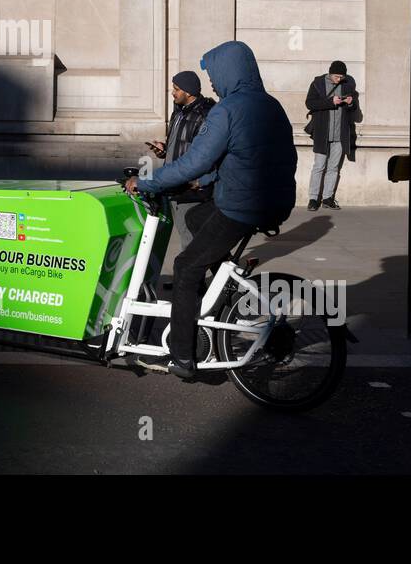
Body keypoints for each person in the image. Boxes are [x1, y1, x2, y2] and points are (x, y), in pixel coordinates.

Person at [126, 41, 297, 380]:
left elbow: (195, 160)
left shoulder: (228, 109)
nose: (214, 84)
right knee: (195, 218)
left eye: (214, 75)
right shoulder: (271, 105)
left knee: (186, 266)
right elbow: (245, 156)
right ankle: (224, 290)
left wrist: (147, 182)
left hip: (242, 206)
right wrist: (205, 179)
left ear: (229, 71)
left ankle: (182, 358)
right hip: (274, 202)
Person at [144, 70, 216, 255]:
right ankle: (195, 280)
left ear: (189, 92)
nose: (172, 92)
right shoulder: (179, 111)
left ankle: (192, 283)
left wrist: (198, 182)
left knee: (190, 238)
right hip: (174, 182)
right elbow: (181, 145)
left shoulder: (205, 115)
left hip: (190, 188)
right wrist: (165, 149)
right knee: (190, 236)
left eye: (176, 89)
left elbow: (206, 153)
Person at [304, 60, 360, 211]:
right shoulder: (318, 84)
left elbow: (354, 109)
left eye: (341, 76)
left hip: (340, 134)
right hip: (322, 132)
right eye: (336, 76)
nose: (339, 79)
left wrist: (350, 103)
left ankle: (328, 198)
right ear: (330, 73)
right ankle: (313, 199)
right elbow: (309, 103)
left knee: (334, 167)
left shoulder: (347, 85)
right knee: (319, 166)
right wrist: (330, 102)